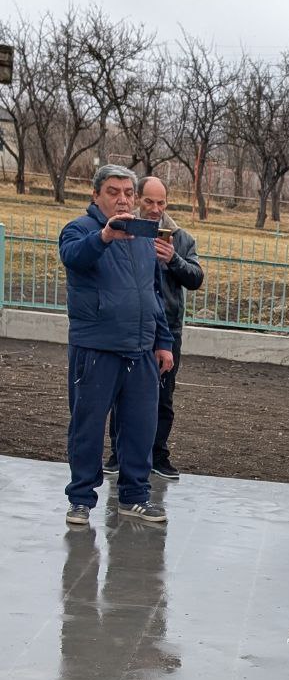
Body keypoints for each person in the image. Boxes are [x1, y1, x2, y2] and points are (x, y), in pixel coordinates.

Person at [60, 165, 173, 528]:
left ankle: (134, 497)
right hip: (97, 349)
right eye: (113, 191)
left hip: (140, 350)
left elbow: (153, 294)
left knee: (140, 427)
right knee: (88, 428)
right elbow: (74, 257)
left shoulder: (143, 237)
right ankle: (80, 500)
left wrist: (163, 342)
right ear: (96, 195)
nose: (122, 198)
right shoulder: (80, 229)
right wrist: (105, 237)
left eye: (127, 192)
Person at [105, 175, 204, 480]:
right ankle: (118, 455)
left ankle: (158, 455)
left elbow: (196, 278)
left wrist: (174, 259)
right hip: (131, 326)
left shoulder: (181, 238)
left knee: (163, 396)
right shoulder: (124, 230)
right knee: (124, 393)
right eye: (149, 201)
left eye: (161, 202)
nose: (155, 208)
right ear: (137, 199)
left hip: (168, 329)